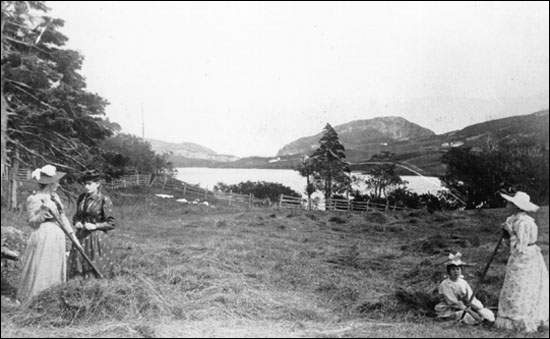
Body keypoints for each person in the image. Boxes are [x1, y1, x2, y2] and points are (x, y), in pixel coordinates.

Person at [17, 165, 80, 302]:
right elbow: (32, 222)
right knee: (42, 266)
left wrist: (73, 236)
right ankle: (35, 298)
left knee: (54, 265)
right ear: (49, 184)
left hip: (57, 236)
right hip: (43, 236)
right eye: (56, 182)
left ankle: (52, 297)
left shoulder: (55, 197)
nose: (58, 184)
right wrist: (43, 211)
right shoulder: (34, 199)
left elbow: (63, 217)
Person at [495, 191, 549, 333]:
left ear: (516, 206)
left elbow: (520, 247)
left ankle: (522, 320)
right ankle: (512, 319)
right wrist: (507, 233)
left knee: (523, 287)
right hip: (520, 258)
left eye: (509, 203)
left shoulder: (523, 222)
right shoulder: (514, 220)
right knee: (514, 286)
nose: (507, 205)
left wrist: (510, 232)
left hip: (525, 258)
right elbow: (510, 245)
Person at [68, 170, 117, 279]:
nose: (86, 187)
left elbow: (111, 223)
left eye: (89, 184)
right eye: (85, 184)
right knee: (78, 267)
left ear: (97, 184)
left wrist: (95, 226)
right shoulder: (81, 198)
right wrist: (77, 222)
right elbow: (76, 216)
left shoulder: (104, 200)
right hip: (81, 237)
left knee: (94, 268)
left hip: (96, 239)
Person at [434, 252, 495, 325]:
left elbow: (471, 297)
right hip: (450, 308)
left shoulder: (463, 282)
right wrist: (469, 311)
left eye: (458, 269)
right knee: (467, 316)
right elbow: (452, 302)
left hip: (465, 306)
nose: (456, 271)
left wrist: (478, 308)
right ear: (449, 271)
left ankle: (485, 321)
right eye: (453, 269)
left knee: (486, 313)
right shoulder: (445, 284)